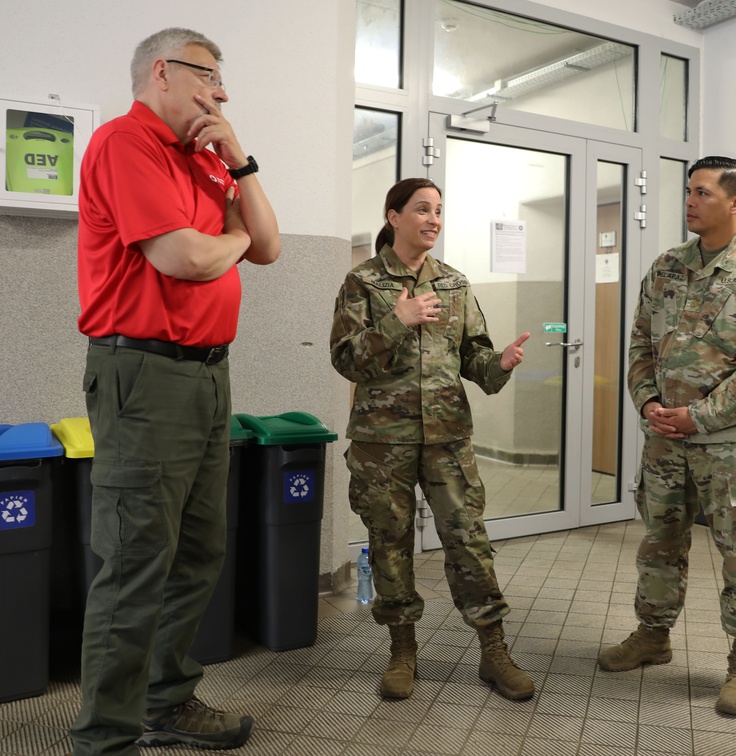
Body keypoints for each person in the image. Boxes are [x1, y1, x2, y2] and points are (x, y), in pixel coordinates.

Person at [72, 28, 280, 755]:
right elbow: (187, 258)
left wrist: (240, 159)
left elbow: (272, 244)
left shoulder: (205, 158)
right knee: (135, 563)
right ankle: (105, 738)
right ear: (163, 72)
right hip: (143, 375)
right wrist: (230, 239)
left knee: (198, 553)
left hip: (207, 374)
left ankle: (165, 701)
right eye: (209, 78)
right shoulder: (125, 144)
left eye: (222, 83)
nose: (219, 93)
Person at [599, 156, 736, 717]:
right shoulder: (666, 266)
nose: (690, 201)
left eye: (702, 193)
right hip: (665, 440)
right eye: (689, 191)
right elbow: (639, 343)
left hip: (734, 445)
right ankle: (652, 635)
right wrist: (648, 401)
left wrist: (700, 417)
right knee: (659, 542)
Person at [330, 177, 534, 702]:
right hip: (382, 441)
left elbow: (475, 359)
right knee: (390, 542)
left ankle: (494, 650)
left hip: (447, 438)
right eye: (422, 209)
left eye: (439, 210)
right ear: (393, 216)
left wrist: (500, 363)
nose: (433, 219)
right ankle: (402, 651)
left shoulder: (454, 284)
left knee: (469, 540)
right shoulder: (363, 282)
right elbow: (345, 359)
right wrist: (396, 320)